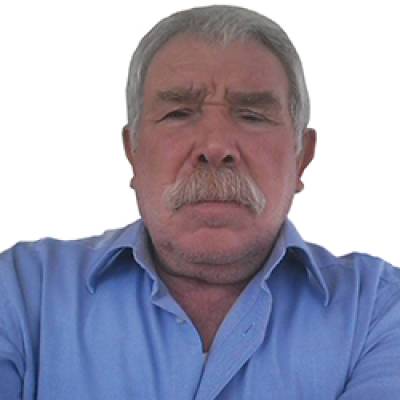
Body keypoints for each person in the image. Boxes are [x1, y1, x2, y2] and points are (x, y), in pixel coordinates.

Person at [1, 5, 399, 399]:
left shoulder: (379, 311)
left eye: (252, 115)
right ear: (132, 151)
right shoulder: (22, 292)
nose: (215, 146)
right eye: (178, 113)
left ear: (301, 157)